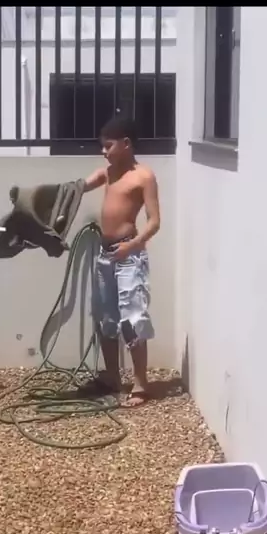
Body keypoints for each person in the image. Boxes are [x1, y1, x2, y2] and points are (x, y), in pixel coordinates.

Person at [82, 116, 161, 406]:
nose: (104, 152)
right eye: (102, 146)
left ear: (126, 144)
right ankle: (112, 377)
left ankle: (140, 384)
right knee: (105, 318)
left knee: (133, 319)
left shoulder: (144, 176)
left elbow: (154, 221)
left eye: (108, 146)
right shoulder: (107, 173)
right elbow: (80, 186)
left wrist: (132, 245)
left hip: (129, 256)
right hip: (105, 255)